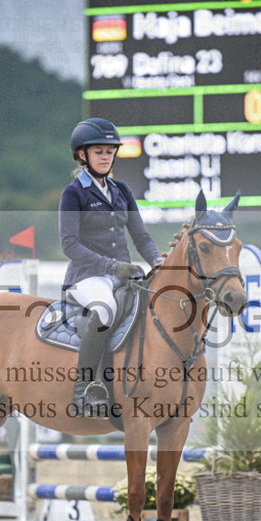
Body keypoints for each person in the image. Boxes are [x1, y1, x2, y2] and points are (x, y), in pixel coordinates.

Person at [58, 118, 164, 418]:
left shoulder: (121, 191)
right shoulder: (74, 193)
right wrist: (110, 265)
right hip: (87, 277)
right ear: (83, 156)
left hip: (122, 276)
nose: (105, 156)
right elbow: (69, 245)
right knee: (105, 310)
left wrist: (157, 260)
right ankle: (83, 390)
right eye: (98, 152)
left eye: (109, 151)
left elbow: (141, 235)